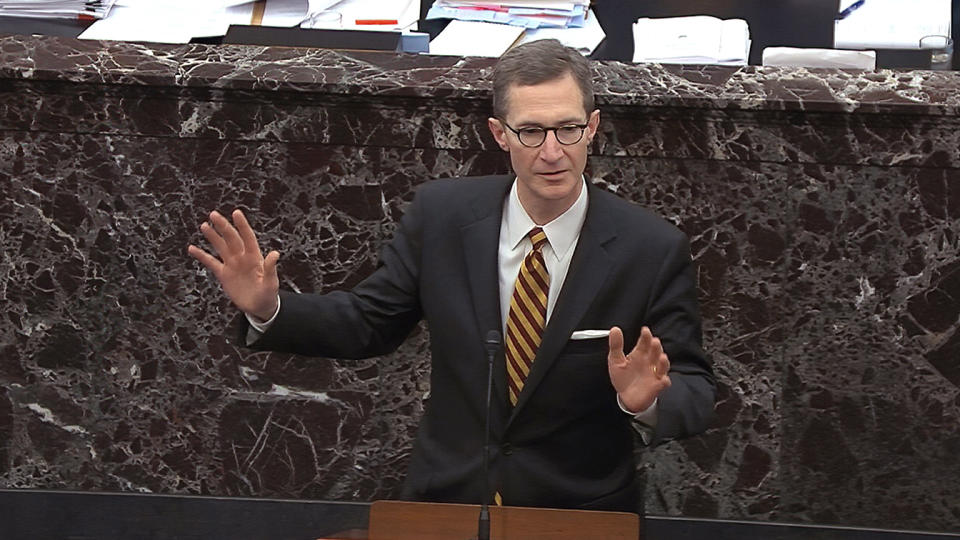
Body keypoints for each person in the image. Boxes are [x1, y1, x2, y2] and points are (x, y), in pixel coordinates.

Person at [188, 39, 715, 514]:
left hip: (577, 512)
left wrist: (643, 401)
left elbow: (694, 386)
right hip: (447, 501)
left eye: (567, 128)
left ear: (592, 127)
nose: (552, 151)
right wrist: (268, 308)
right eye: (531, 132)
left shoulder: (651, 248)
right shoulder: (443, 217)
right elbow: (369, 321)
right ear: (499, 134)